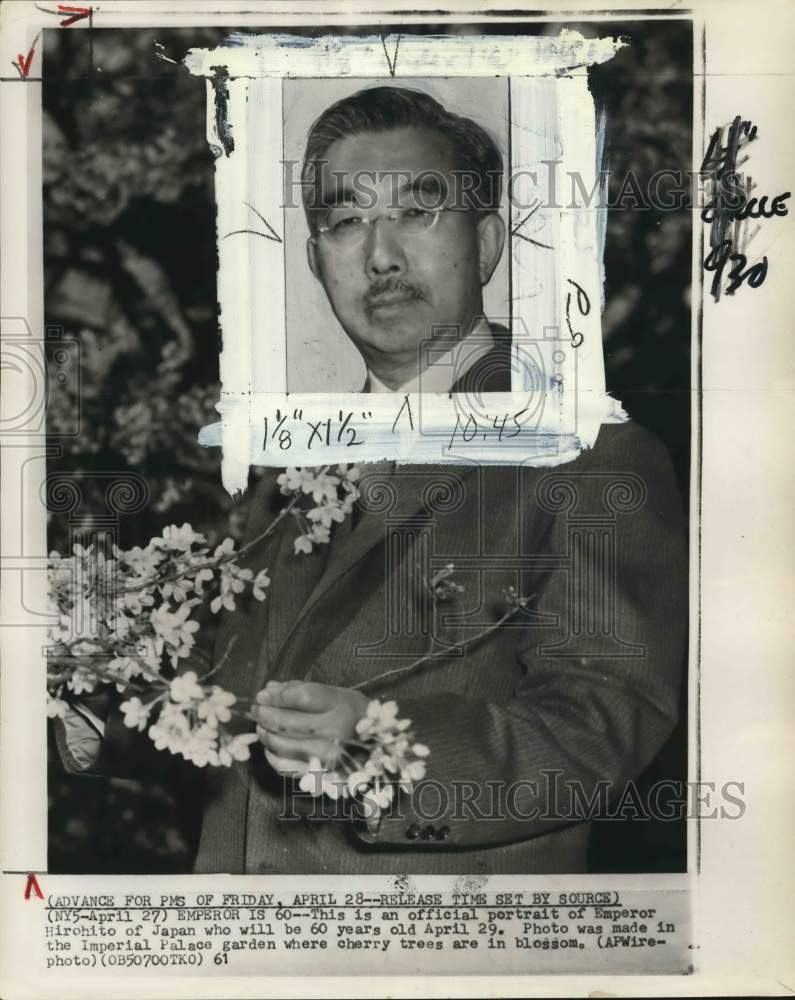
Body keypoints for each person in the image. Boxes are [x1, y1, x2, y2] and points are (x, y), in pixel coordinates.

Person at [56, 85, 687, 875]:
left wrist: (380, 747)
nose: (380, 255)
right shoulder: (284, 468)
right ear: (316, 259)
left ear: (487, 243)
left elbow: (599, 727)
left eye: (417, 211)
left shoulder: (590, 456)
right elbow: (227, 716)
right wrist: (87, 697)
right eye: (345, 221)